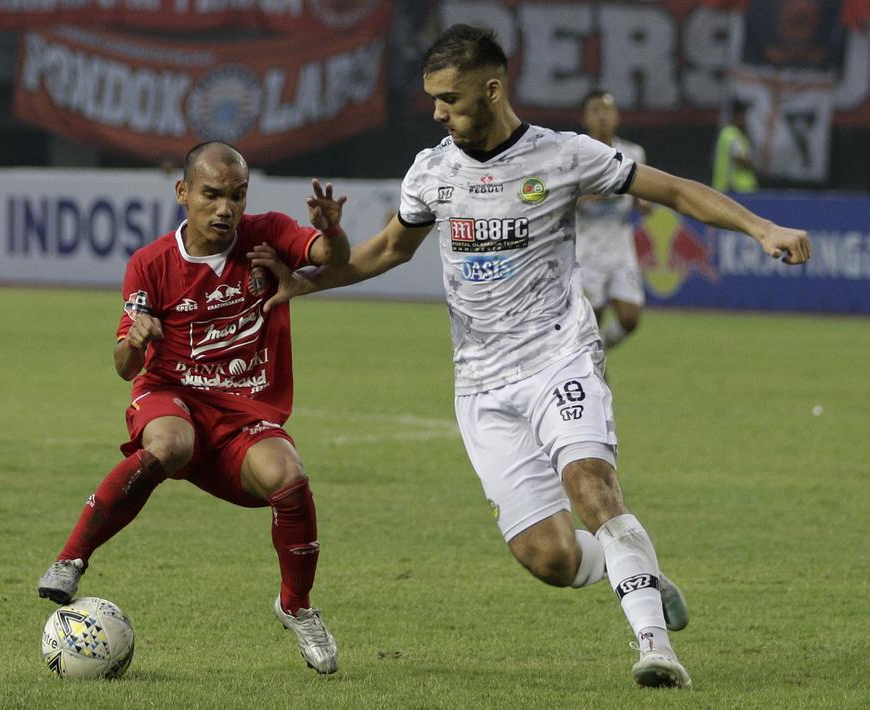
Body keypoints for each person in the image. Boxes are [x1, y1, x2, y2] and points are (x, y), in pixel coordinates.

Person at [251, 24, 811, 689]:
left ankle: (655, 648)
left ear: (492, 90)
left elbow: (674, 191)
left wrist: (761, 227)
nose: (438, 113)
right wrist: (306, 283)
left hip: (559, 357)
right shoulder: (432, 170)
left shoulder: (564, 155)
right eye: (433, 100)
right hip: (481, 385)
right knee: (548, 558)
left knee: (592, 489)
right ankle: (639, 573)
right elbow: (389, 249)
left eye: (450, 99)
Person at [37, 141, 351, 675]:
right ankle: (71, 558)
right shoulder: (151, 263)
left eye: (237, 195)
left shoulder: (267, 235)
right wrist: (135, 339)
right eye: (212, 195)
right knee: (170, 443)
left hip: (243, 409)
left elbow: (330, 258)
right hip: (170, 394)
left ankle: (297, 606)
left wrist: (332, 231)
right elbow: (124, 367)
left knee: (289, 476)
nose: (226, 208)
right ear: (183, 192)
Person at [575, 90, 648, 349]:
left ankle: (597, 354)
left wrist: (642, 203)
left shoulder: (633, 153)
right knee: (590, 320)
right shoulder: (576, 155)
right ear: (585, 119)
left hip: (620, 248)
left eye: (607, 109)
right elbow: (562, 197)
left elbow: (640, 193)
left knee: (630, 318)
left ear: (617, 116)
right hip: (586, 249)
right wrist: (587, 197)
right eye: (595, 110)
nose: (602, 116)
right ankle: (590, 361)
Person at [712, 100, 759, 193]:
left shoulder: (726, 133)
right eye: (744, 115)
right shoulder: (734, 135)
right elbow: (740, 159)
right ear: (738, 116)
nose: (746, 119)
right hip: (736, 188)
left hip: (724, 188)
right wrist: (753, 164)